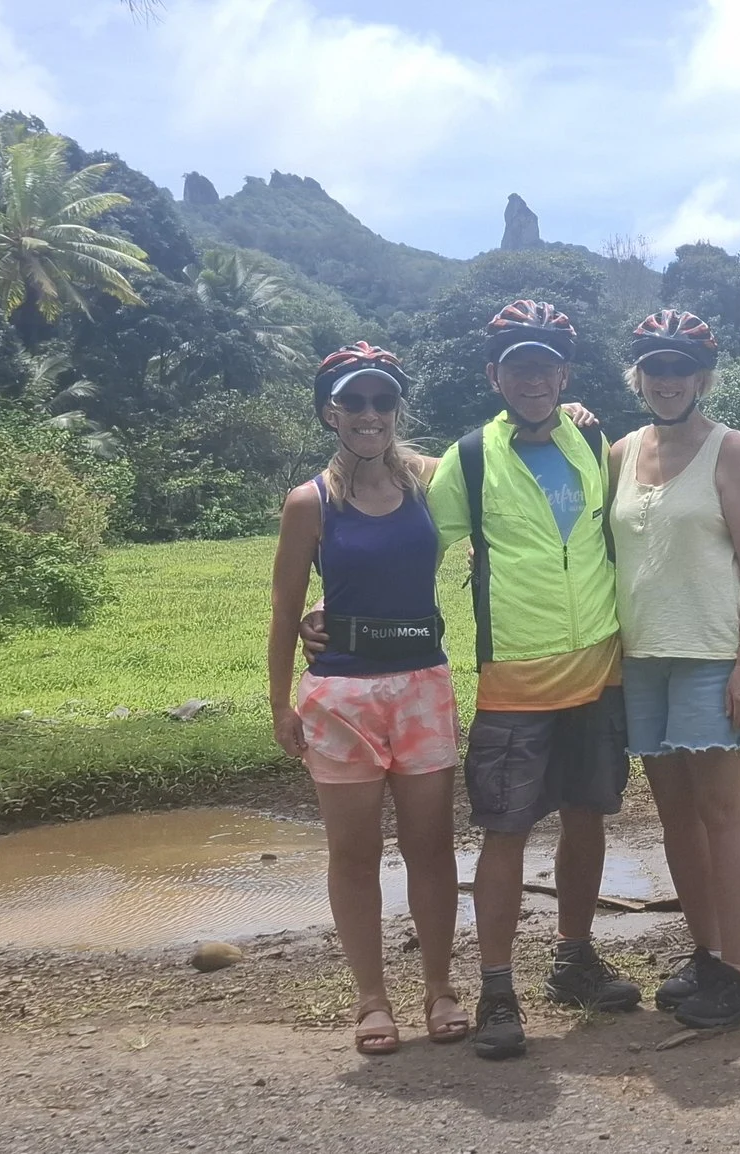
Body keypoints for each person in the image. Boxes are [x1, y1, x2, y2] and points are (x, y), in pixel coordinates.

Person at [437, 299, 640, 1060]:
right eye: (517, 364)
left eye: (545, 363)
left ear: (565, 373)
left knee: (587, 814)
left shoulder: (590, 435)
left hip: (598, 670)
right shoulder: (472, 458)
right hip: (515, 680)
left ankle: (574, 959)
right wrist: (335, 602)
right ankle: (496, 989)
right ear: (494, 374)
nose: (532, 377)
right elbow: (424, 543)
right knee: (505, 832)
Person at [266, 343, 465, 1057]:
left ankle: (440, 988)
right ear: (331, 412)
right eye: (355, 402)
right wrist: (279, 702)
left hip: (421, 687)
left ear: (397, 410)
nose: (370, 415)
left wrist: (570, 414)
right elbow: (287, 607)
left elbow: (499, 463)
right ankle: (373, 999)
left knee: (431, 849)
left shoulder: (430, 482)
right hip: (341, 695)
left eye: (383, 402)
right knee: (352, 853)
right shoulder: (308, 503)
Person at [607, 310, 740, 1029]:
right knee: (676, 816)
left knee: (721, 811)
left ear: (702, 376)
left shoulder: (729, 450)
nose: (668, 379)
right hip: (642, 658)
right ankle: (706, 954)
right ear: (638, 375)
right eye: (655, 366)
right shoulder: (618, 450)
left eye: (681, 367)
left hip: (710, 654)